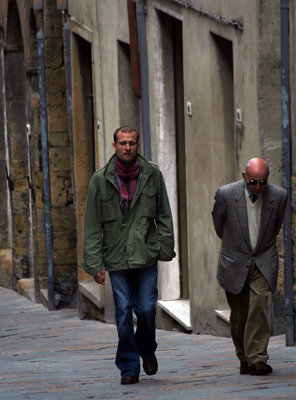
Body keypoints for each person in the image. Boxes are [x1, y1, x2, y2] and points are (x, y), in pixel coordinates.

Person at [83, 125, 175, 385]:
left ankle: (146, 349)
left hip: (145, 255)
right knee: (123, 312)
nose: (127, 147)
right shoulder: (100, 180)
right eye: (122, 143)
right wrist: (94, 263)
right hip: (116, 258)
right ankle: (128, 366)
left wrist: (163, 248)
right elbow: (92, 225)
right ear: (114, 146)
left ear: (138, 145)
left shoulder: (152, 174)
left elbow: (164, 215)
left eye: (131, 143)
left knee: (146, 309)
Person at [212, 157, 287, 376]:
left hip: (263, 259)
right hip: (235, 261)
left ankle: (257, 359)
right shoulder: (226, 195)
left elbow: (275, 227)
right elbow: (219, 224)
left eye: (262, 182)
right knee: (239, 315)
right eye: (253, 182)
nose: (258, 187)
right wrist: (234, 246)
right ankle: (244, 356)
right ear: (244, 176)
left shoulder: (278, 196)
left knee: (260, 304)